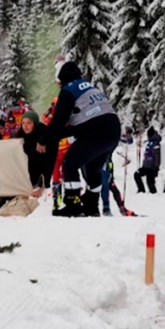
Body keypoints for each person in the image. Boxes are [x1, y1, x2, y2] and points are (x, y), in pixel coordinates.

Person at [37, 59, 121, 217]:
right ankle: (91, 205)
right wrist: (54, 137)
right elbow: (78, 125)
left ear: (63, 79)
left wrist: (43, 140)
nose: (58, 85)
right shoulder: (90, 87)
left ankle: (72, 203)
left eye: (59, 82)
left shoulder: (69, 90)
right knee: (93, 167)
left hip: (96, 131)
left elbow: (58, 122)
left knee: (70, 163)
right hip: (113, 129)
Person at [134, 126, 161, 193]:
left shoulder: (155, 144)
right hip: (146, 167)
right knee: (136, 174)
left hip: (151, 168)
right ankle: (141, 190)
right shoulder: (149, 143)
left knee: (150, 183)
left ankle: (154, 196)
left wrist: (156, 168)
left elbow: (157, 157)